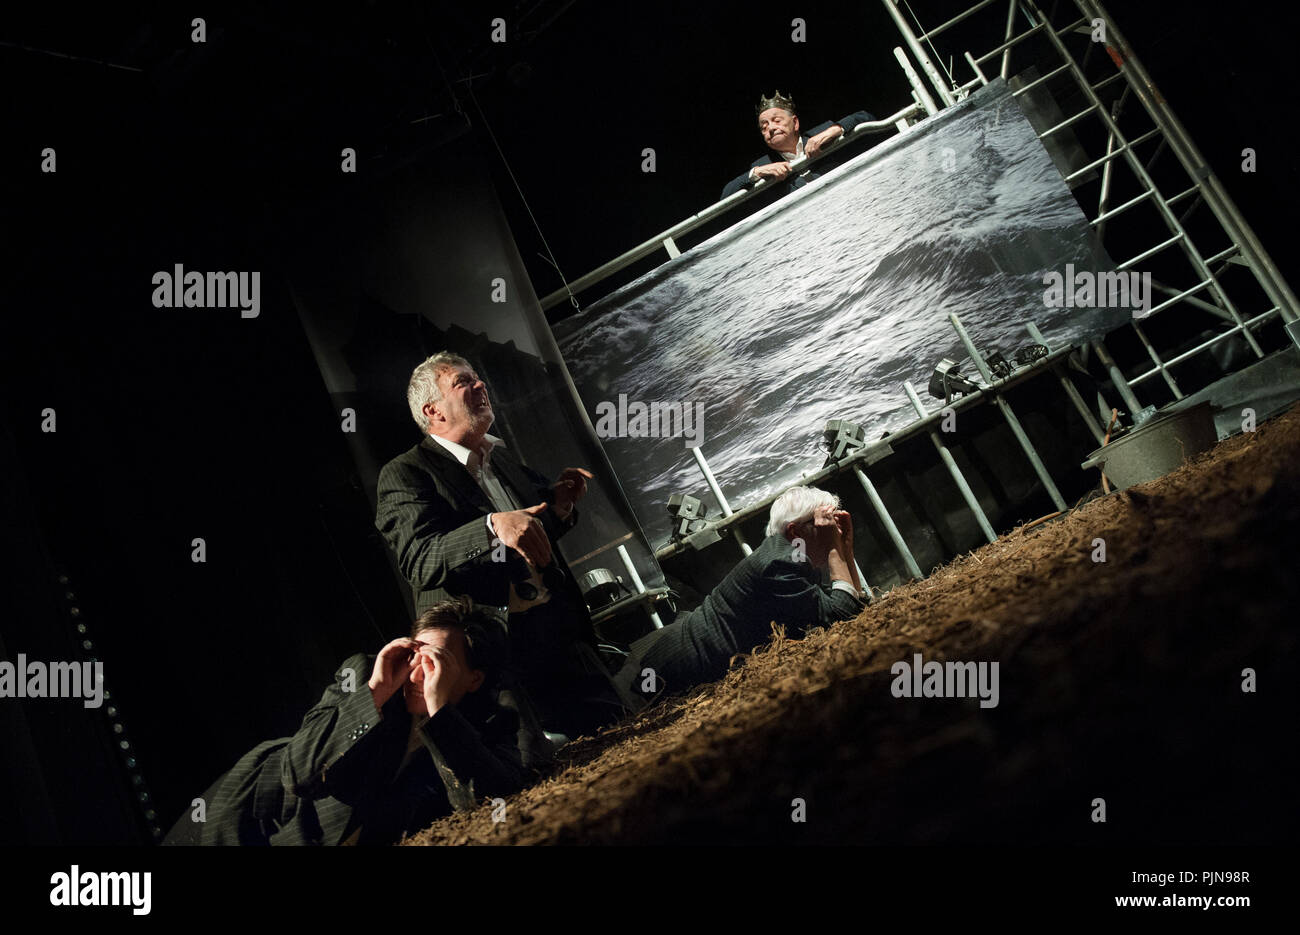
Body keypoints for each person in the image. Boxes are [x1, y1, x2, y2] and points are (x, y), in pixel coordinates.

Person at [374, 351, 628, 738]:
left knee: (622, 729)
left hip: (557, 634)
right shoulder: (405, 473)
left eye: (477, 377)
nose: (480, 386)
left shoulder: (499, 457)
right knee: (542, 771)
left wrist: (558, 506)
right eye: (462, 382)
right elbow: (420, 559)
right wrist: (491, 526)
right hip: (495, 660)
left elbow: (527, 532)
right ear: (434, 411)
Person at [164, 599, 552, 846]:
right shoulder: (365, 673)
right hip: (241, 814)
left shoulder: (487, 725)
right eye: (417, 656)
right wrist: (375, 692)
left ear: (474, 679)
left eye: (439, 663)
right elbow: (298, 774)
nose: (419, 673)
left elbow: (491, 802)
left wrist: (439, 715)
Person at [617, 486, 865, 706]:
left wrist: (845, 547)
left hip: (668, 657)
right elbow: (841, 617)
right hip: (657, 674)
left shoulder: (792, 559)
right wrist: (835, 548)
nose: (832, 530)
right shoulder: (780, 565)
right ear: (796, 532)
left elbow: (853, 608)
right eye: (825, 523)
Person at [720, 90, 876, 200]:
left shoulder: (822, 132)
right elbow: (725, 199)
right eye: (764, 126)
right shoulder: (763, 165)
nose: (771, 128)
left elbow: (868, 118)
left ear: (794, 123)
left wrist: (835, 130)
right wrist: (756, 173)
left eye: (776, 121)